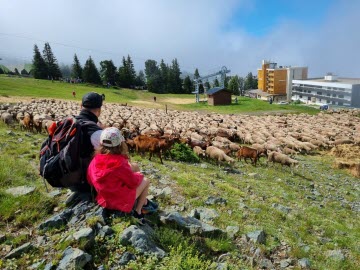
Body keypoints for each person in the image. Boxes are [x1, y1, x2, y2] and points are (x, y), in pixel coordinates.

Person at [87, 127, 158, 218]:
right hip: (118, 201)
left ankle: (143, 201)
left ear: (101, 143)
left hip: (104, 197)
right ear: (120, 144)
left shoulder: (95, 160)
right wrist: (139, 176)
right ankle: (139, 211)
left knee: (134, 166)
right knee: (145, 180)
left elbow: (90, 179)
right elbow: (133, 182)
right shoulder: (119, 163)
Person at [71, 92, 104, 193]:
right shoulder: (95, 131)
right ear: (99, 110)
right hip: (84, 179)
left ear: (81, 106)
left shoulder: (70, 121)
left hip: (66, 173)